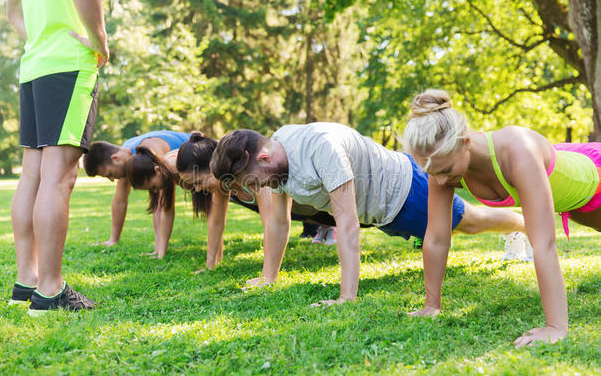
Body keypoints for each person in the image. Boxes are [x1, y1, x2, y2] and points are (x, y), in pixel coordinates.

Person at [210, 123, 529, 305]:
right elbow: (278, 222)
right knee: (466, 224)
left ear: (263, 157)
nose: (258, 189)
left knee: (470, 223)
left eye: (253, 182)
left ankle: (519, 224)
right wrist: (268, 278)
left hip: (406, 191)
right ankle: (515, 224)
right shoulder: (275, 164)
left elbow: (346, 224)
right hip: (382, 213)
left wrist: (346, 297)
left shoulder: (321, 148)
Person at [402, 89, 601, 347]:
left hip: (592, 178)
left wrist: (556, 327)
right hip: (571, 198)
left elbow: (543, 244)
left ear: (465, 141)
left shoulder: (518, 151)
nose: (438, 180)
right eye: (431, 172)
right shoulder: (441, 163)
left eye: (445, 171)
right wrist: (431, 306)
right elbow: (437, 237)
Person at [7, 0, 108, 314]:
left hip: (35, 65)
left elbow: (12, 6)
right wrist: (99, 41)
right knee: (58, 176)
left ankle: (27, 281)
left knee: (32, 174)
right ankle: (50, 291)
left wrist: (38, 40)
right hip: (68, 62)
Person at [131, 132, 342, 274]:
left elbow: (272, 223)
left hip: (318, 208)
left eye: (198, 182)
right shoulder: (222, 184)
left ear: (212, 167)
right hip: (308, 210)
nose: (196, 189)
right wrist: (210, 265)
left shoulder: (253, 176)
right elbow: (216, 223)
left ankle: (328, 229)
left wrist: (268, 275)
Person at [83, 130, 189, 256]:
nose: (112, 180)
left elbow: (163, 204)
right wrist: (113, 239)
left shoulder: (150, 152)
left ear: (115, 158)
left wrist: (160, 250)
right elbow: (119, 201)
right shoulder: (126, 157)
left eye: (110, 174)